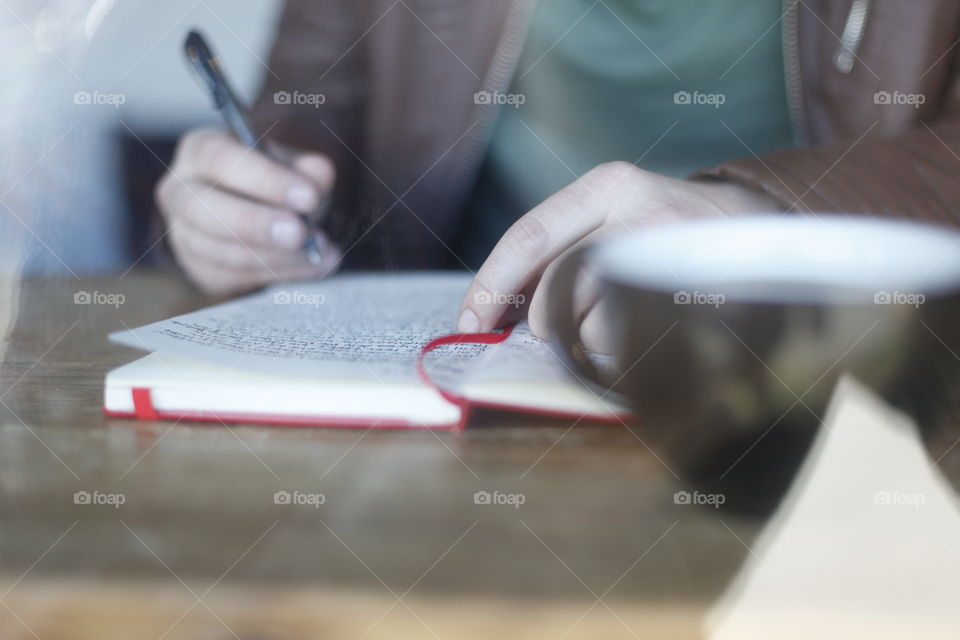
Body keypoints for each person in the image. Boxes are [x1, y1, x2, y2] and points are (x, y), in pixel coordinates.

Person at [155, 0, 960, 349]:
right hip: (466, 373)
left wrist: (759, 218)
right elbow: (303, 117)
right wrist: (238, 213)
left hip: (813, 365)